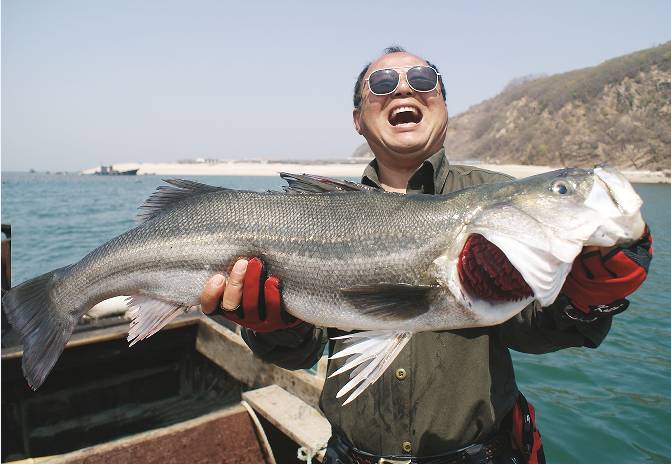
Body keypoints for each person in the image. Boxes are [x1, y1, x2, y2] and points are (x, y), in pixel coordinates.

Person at [200, 47, 652, 463]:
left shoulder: (495, 198)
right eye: (381, 84)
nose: (402, 88)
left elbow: (534, 329)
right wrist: (277, 326)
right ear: (358, 119)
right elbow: (303, 352)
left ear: (443, 106)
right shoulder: (312, 212)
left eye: (422, 78)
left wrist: (591, 298)